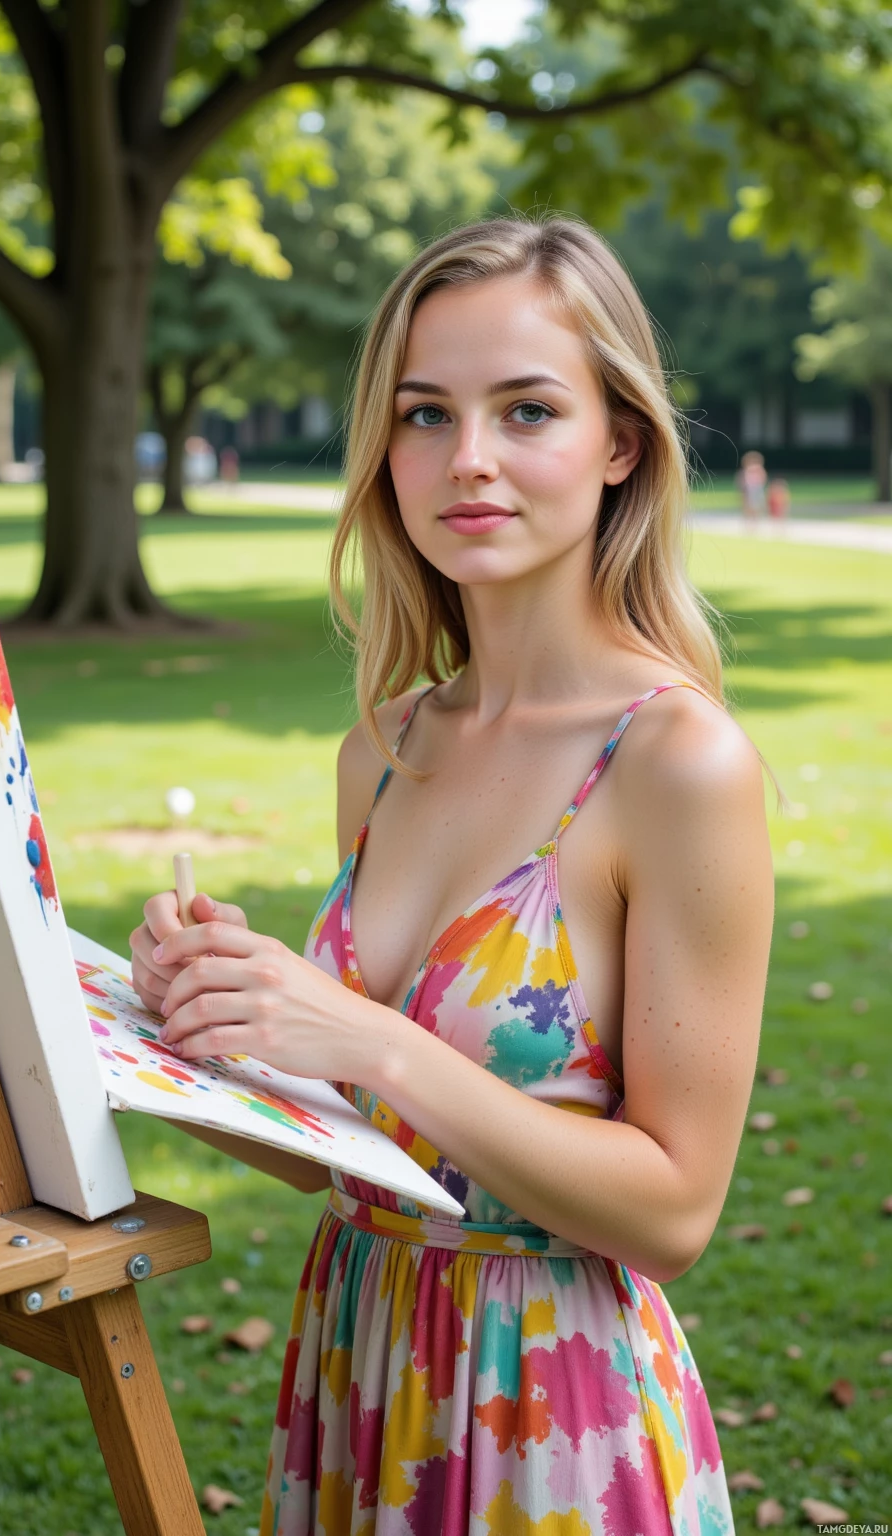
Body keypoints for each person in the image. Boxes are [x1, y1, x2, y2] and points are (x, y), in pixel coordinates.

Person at [129, 216, 773, 1535]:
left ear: (619, 443)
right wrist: (208, 1027)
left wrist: (373, 1041)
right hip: (363, 1370)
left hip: (552, 1419)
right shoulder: (385, 749)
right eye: (425, 415)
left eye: (526, 409)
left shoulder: (678, 762)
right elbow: (344, 1158)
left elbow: (675, 1211)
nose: (466, 461)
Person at [737, 449, 768, 523]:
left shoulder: (758, 469)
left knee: (756, 505)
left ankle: (754, 519)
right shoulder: (747, 470)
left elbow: (763, 478)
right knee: (748, 505)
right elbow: (742, 480)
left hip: (756, 489)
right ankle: (749, 520)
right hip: (749, 489)